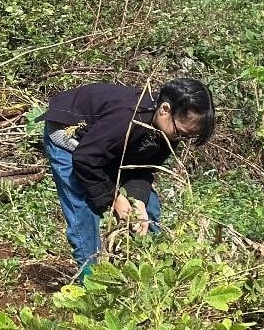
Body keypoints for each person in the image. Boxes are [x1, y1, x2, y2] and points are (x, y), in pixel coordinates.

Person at [41, 77, 216, 281]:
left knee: (148, 207)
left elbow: (143, 168)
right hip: (72, 141)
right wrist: (114, 198)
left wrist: (138, 200)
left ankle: (148, 272)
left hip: (104, 147)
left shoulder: (169, 131)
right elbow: (86, 159)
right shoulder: (126, 117)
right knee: (85, 210)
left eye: (187, 138)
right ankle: (90, 283)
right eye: (182, 133)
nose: (181, 140)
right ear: (165, 110)